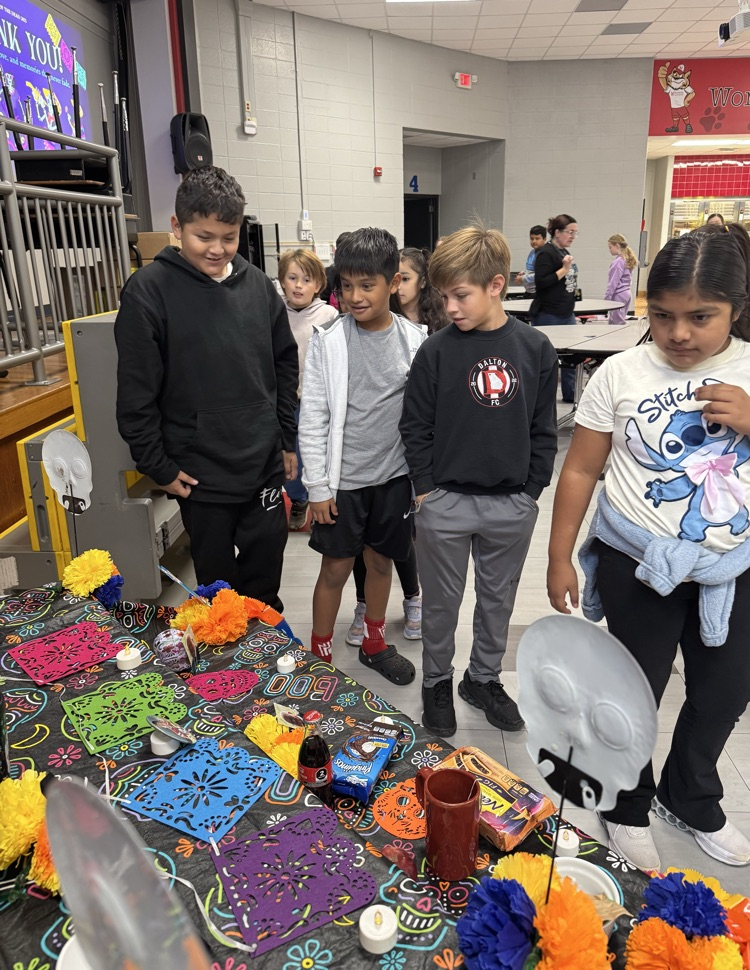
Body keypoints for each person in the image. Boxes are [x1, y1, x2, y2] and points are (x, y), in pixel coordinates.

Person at [547, 224, 750, 872]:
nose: (679, 333)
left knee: (725, 691)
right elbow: (579, 469)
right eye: (662, 316)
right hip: (639, 562)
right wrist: (558, 555)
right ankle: (626, 803)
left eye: (701, 317)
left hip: (732, 565)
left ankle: (690, 796)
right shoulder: (621, 373)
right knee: (632, 691)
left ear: (736, 309)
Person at [115, 167, 298, 612]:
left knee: (265, 585)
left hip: (263, 467)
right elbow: (136, 392)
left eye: (229, 237)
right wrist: (156, 464)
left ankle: (267, 670)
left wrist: (287, 439)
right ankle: (227, 673)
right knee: (218, 592)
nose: (218, 249)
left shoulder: (257, 285)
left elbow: (284, 365)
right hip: (200, 476)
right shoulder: (148, 292)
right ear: (177, 228)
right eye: (204, 236)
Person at [401, 226, 558, 737]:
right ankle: (437, 681)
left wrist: (532, 490)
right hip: (445, 500)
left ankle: (483, 679)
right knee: (441, 605)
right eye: (442, 295)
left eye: (460, 294)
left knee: (498, 601)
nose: (450, 306)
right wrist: (425, 489)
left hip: (510, 503)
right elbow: (415, 425)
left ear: (496, 285)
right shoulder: (436, 351)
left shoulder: (535, 348)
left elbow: (543, 426)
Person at [299, 227, 427, 683]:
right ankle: (319, 655)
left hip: (393, 479)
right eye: (346, 285)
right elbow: (312, 416)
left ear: (393, 283)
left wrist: (422, 481)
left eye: (366, 285)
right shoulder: (329, 340)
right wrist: (317, 487)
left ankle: (374, 640)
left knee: (380, 561)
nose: (354, 296)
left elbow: (424, 417)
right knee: (334, 568)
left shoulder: (416, 340)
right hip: (342, 484)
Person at [346, 247, 449, 647]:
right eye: (397, 277)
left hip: (406, 457)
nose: (401, 285)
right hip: (364, 461)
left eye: (406, 277)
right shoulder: (360, 327)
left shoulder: (430, 332)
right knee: (363, 543)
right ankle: (363, 603)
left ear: (420, 281)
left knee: (400, 539)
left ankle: (412, 597)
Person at [276, 249, 338, 531]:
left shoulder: (328, 314)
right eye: (292, 278)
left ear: (318, 284)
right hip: (285, 399)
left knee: (317, 451)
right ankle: (298, 499)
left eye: (306, 279)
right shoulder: (274, 312)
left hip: (316, 399)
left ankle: (322, 497)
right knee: (290, 455)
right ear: (282, 281)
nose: (298, 285)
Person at [531, 214, 579, 403]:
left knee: (572, 358)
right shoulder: (546, 252)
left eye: (575, 233)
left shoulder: (562, 252)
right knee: (548, 360)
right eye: (570, 232)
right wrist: (564, 270)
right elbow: (541, 282)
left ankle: (570, 396)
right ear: (557, 232)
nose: (573, 236)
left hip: (566, 314)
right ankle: (542, 399)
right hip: (549, 315)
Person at [604, 233, 637, 325]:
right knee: (617, 320)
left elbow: (613, 283)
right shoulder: (626, 259)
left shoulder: (618, 262)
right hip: (626, 294)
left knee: (616, 323)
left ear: (617, 245)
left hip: (619, 295)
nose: (609, 250)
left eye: (610, 247)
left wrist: (607, 299)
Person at [515, 225, 547, 293]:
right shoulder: (532, 252)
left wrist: (523, 279)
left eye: (537, 238)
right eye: (532, 238)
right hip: (529, 291)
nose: (534, 241)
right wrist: (523, 273)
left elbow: (540, 275)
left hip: (538, 292)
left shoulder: (544, 255)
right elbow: (530, 269)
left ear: (544, 239)